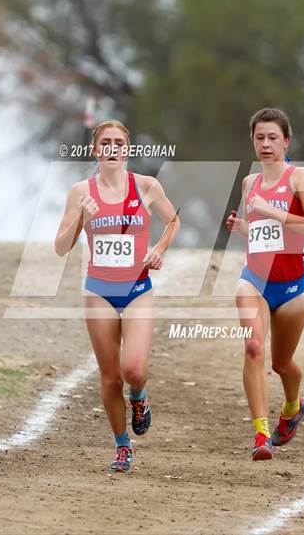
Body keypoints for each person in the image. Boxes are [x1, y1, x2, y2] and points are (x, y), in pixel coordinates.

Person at [55, 120, 180, 472]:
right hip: (99, 293)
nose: (112, 147)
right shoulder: (81, 191)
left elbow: (173, 221)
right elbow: (60, 247)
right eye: (105, 142)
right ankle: (123, 445)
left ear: (128, 149)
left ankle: (139, 397)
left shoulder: (146, 186)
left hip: (138, 289)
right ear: (96, 150)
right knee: (110, 376)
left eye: (119, 142)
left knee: (134, 369)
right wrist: (81, 215)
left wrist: (159, 249)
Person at [226, 108, 304, 461]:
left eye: (272, 138)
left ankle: (293, 407)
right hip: (254, 280)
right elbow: (266, 237)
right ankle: (261, 434)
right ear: (252, 140)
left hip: (294, 287)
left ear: (286, 141)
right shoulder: (249, 183)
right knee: (253, 348)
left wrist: (271, 211)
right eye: (259, 137)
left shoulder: (300, 177)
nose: (265, 144)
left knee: (282, 364)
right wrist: (244, 229)